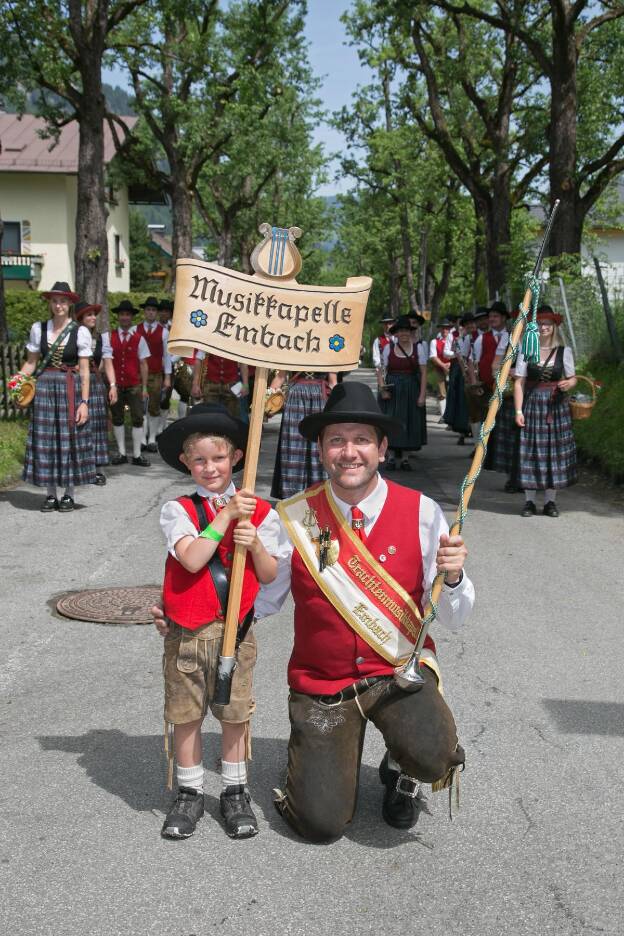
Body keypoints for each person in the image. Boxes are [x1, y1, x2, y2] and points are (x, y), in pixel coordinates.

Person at [262, 382, 474, 842]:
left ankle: (401, 770)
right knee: (319, 825)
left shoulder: (423, 512)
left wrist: (454, 579)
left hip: (397, 670)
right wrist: (192, 615)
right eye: (336, 440)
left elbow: (454, 619)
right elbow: (260, 601)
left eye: (361, 440)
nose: (349, 452)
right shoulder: (292, 519)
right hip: (324, 681)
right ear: (321, 449)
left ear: (381, 448)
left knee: (435, 753)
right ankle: (319, 755)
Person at [155, 405, 280, 839]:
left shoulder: (262, 512)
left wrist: (255, 542)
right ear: (187, 463)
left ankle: (234, 790)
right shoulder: (179, 510)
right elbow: (191, 559)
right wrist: (225, 518)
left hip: (236, 633)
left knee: (235, 713)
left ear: (238, 458)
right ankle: (189, 793)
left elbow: (268, 574)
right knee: (185, 714)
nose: (210, 468)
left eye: (219, 458)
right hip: (187, 635)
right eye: (200, 460)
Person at [19, 281, 95, 511]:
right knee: (47, 440)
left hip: (69, 387)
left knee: (69, 439)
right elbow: (31, 364)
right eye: (55, 301)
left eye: (63, 301)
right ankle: (50, 493)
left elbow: (84, 371)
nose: (59, 305)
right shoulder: (38, 329)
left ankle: (69, 494)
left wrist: (84, 402)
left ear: (70, 303)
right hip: (43, 389)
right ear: (50, 303)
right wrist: (16, 382)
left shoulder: (80, 331)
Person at [513, 305, 577, 517]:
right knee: (531, 452)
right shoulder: (526, 349)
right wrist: (518, 411)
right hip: (532, 406)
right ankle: (529, 502)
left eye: (547, 324)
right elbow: (519, 383)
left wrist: (569, 383)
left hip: (556, 407)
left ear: (554, 327)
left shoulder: (564, 351)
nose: (543, 328)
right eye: (539, 324)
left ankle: (550, 502)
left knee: (554, 453)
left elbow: (573, 377)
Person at [269, 369, 338, 499]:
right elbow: (281, 376)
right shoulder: (291, 347)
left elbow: (333, 381)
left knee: (318, 446)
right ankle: (292, 497)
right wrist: (267, 398)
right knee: (292, 447)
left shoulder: (329, 348)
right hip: (296, 396)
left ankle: (320, 495)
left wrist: (337, 406)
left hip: (320, 396)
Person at [378, 314, 428, 470]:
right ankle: (392, 457)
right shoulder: (388, 348)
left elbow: (424, 373)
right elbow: (380, 371)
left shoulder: (418, 348)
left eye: (406, 331)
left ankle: (405, 459)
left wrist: (422, 395)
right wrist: (382, 389)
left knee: (410, 422)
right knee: (392, 421)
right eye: (400, 331)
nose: (404, 334)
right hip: (393, 390)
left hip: (411, 389)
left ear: (410, 332)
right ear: (396, 333)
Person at [75, 300, 117, 486]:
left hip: (97, 383)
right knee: (80, 425)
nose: (93, 318)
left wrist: (113, 385)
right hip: (76, 383)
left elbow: (107, 362)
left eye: (94, 314)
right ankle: (80, 467)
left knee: (98, 426)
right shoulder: (72, 336)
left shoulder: (102, 337)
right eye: (88, 315)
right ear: (80, 318)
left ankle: (98, 469)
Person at [109, 299, 151, 467]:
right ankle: (121, 453)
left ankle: (137, 455)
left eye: (127, 314)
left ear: (131, 317)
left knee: (138, 418)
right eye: (122, 314)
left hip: (134, 384)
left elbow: (143, 364)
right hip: (116, 385)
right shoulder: (109, 337)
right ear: (118, 317)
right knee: (117, 418)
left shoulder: (139, 339)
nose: (125, 317)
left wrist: (145, 387)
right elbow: (105, 362)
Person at [135, 297, 172, 452]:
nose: (150, 313)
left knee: (154, 406)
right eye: (148, 310)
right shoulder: (135, 330)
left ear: (156, 313)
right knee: (140, 407)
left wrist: (168, 376)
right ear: (145, 312)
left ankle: (151, 439)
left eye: (153, 310)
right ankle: (142, 438)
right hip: (138, 374)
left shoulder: (164, 332)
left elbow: (167, 355)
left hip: (156, 373)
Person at [442, 314, 471, 445]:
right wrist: (457, 354)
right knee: (460, 398)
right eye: (460, 323)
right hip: (458, 369)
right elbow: (445, 352)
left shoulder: (473, 336)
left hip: (472, 367)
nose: (461, 326)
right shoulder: (452, 336)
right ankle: (462, 430)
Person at [191, 353, 248, 419]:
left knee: (231, 419)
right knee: (209, 418)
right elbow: (199, 359)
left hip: (231, 385)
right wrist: (195, 384)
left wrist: (246, 384)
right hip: (211, 384)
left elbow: (243, 361)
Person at [429, 319, 453, 419]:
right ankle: (443, 416)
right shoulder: (434, 342)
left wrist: (450, 364)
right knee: (441, 391)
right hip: (439, 367)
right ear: (440, 329)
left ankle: (452, 415)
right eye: (443, 328)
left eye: (447, 328)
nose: (445, 330)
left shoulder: (454, 340)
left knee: (453, 391)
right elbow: (433, 357)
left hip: (452, 367)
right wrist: (443, 365)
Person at [372, 313, 395, 401]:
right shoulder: (378, 341)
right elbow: (376, 360)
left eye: (390, 323)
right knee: (384, 400)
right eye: (385, 323)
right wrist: (380, 376)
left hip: (397, 373)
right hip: (384, 374)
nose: (388, 325)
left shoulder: (398, 339)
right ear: (382, 325)